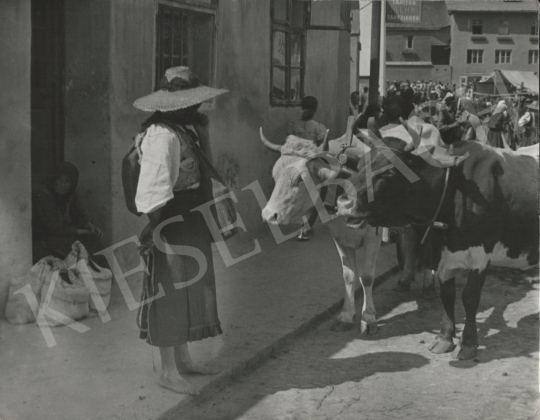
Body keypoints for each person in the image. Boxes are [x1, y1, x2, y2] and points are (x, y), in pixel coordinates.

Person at [132, 66, 228, 395]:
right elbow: (153, 190)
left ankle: (184, 359)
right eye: (192, 103)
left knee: (191, 288)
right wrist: (155, 229)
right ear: (176, 105)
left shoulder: (183, 130)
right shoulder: (162, 135)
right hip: (170, 219)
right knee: (171, 292)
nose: (197, 108)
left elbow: (206, 170)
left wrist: (205, 133)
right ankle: (167, 371)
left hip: (191, 216)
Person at [32, 162, 104, 263]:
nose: (62, 184)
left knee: (94, 244)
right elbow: (53, 228)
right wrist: (84, 232)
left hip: (59, 233)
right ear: (54, 179)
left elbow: (78, 213)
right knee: (78, 249)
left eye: (67, 181)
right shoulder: (43, 195)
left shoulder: (70, 193)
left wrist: (89, 225)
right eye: (60, 179)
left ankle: (97, 275)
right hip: (42, 238)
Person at [288, 95, 327, 241]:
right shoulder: (318, 127)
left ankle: (302, 227)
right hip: (311, 165)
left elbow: (288, 145)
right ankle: (306, 228)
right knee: (318, 194)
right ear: (315, 109)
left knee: (299, 196)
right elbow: (323, 147)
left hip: (295, 164)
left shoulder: (293, 126)